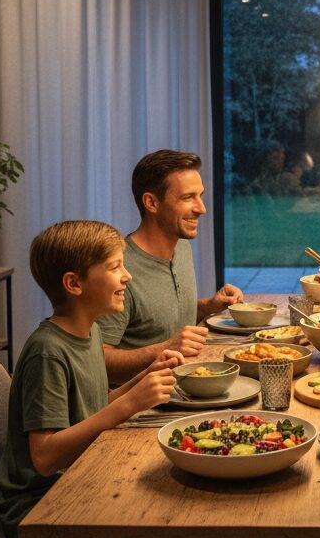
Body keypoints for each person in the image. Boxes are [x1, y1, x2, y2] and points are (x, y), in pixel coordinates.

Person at [0, 220, 203, 538]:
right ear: (74, 283)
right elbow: (45, 456)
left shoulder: (84, 333)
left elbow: (91, 406)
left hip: (79, 484)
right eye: (114, 267)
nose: (127, 276)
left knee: (199, 518)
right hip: (41, 507)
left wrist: (141, 381)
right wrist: (127, 406)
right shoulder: (48, 352)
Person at [99, 150, 243, 383]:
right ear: (151, 203)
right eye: (187, 198)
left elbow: (155, 318)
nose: (201, 208)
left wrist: (207, 306)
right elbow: (98, 362)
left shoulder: (181, 245)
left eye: (200, 196)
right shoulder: (118, 269)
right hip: (143, 401)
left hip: (187, 385)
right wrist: (164, 348)